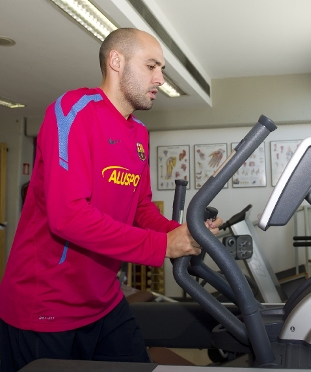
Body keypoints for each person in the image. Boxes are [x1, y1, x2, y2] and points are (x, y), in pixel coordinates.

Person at [0, 28, 222, 371]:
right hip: (46, 304)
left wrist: (183, 232)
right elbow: (68, 216)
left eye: (161, 69)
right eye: (151, 66)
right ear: (116, 61)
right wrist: (163, 245)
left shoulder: (139, 133)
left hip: (103, 301)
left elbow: (141, 209)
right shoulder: (73, 111)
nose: (160, 78)